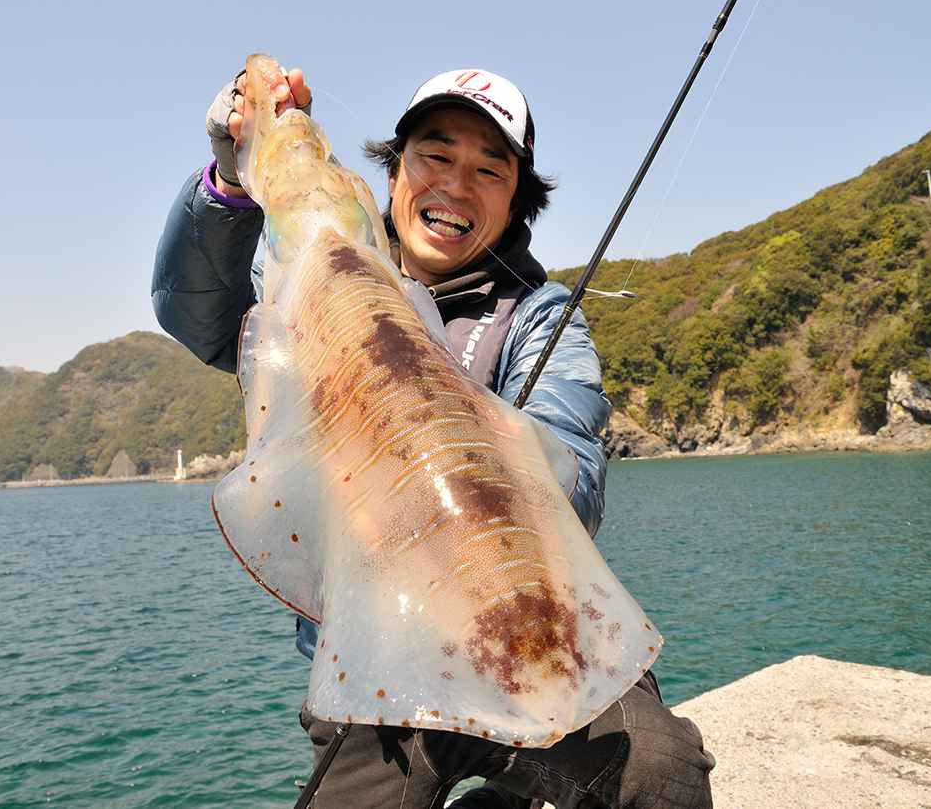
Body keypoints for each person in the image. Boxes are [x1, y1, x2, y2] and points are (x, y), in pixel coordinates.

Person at [152, 61, 715, 809]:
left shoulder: (541, 316)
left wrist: (435, 427)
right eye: (436, 156)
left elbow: (573, 474)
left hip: (530, 628)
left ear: (517, 201)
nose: (455, 185)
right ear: (392, 174)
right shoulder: (303, 284)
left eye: (490, 170)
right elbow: (198, 312)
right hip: (376, 651)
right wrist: (233, 173)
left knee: (657, 775)